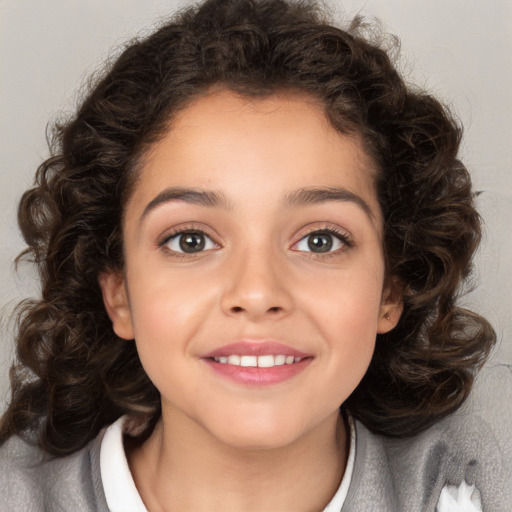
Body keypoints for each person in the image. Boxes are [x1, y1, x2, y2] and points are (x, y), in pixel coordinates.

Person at [0, 0, 510, 510]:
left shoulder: (480, 475)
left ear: (391, 289)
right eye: (191, 240)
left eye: (321, 240)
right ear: (118, 295)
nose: (258, 293)